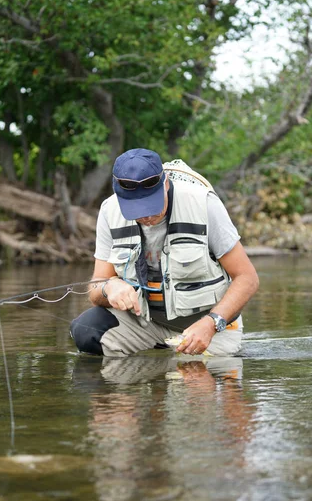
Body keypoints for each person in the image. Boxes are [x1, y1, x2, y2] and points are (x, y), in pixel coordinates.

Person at [71, 148, 259, 357]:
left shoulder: (205, 204)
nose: (146, 216)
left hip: (209, 327)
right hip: (144, 323)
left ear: (166, 183)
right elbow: (96, 286)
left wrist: (211, 323)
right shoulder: (109, 211)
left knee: (197, 381)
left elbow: (247, 278)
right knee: (86, 330)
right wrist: (109, 286)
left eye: (152, 205)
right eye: (136, 209)